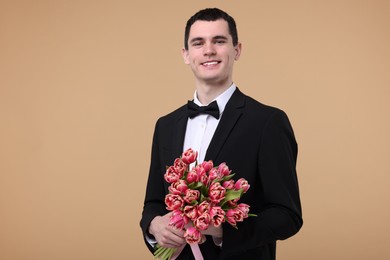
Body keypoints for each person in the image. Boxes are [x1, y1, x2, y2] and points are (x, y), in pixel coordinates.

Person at [140, 7, 303, 260]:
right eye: (198, 43)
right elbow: (153, 203)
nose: (209, 50)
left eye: (219, 41)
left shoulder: (269, 122)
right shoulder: (165, 125)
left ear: (236, 50)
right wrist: (153, 226)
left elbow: (287, 215)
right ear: (186, 54)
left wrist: (223, 231)